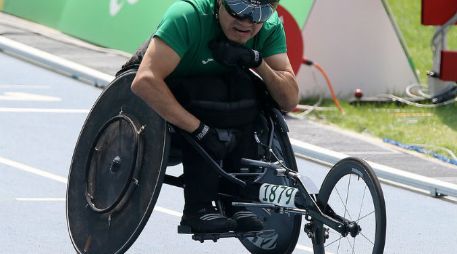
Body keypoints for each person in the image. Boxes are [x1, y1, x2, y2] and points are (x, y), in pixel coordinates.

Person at [130, 0, 299, 233]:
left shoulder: (268, 27)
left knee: (248, 92)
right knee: (210, 95)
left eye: (259, 12)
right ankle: (197, 210)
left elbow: (288, 101)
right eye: (239, 8)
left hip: (217, 101)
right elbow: (144, 82)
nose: (247, 21)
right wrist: (200, 129)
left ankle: (233, 201)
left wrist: (257, 61)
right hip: (156, 99)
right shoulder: (187, 15)